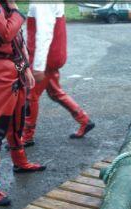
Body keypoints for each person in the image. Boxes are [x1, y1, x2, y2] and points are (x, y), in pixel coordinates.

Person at [0, 0, 46, 206]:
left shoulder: (0, 5)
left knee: (17, 122)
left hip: (13, 68)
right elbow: (6, 34)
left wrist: (25, 68)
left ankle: (20, 163)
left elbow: (16, 42)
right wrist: (14, 9)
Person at [23, 2, 95, 147]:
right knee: (55, 92)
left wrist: (38, 66)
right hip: (51, 56)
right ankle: (84, 119)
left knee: (30, 95)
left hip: (46, 58)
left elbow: (44, 33)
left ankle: (27, 136)